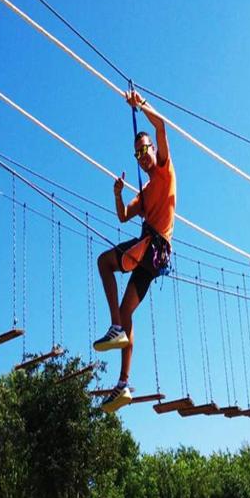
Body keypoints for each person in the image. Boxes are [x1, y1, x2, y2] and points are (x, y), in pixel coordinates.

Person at [93, 89, 176, 413]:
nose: (142, 155)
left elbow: (161, 127)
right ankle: (123, 384)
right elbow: (124, 216)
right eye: (137, 153)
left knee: (105, 261)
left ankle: (115, 326)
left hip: (155, 247)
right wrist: (117, 194)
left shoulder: (164, 170)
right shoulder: (144, 190)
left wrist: (139, 105)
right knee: (128, 312)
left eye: (145, 149)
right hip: (150, 256)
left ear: (153, 150)